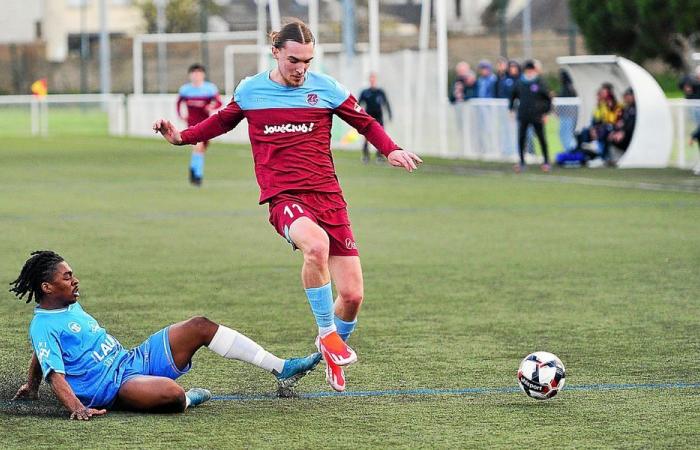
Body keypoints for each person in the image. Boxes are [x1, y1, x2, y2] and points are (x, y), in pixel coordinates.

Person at [153, 20, 422, 392]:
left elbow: (365, 122)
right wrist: (181, 137)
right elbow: (219, 123)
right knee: (315, 246)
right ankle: (329, 337)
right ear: (276, 52)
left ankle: (329, 349)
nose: (301, 68)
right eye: (294, 59)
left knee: (354, 295)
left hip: (328, 197)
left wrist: (390, 148)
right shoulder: (251, 91)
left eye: (308, 61)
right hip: (285, 197)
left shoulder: (326, 88)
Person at [10, 250, 321, 419]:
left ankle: (282, 369)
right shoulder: (43, 325)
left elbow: (43, 354)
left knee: (200, 325)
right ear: (47, 287)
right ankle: (187, 399)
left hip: (132, 358)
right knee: (172, 393)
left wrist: (30, 385)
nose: (75, 281)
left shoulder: (66, 306)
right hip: (119, 387)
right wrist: (77, 408)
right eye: (67, 277)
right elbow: (57, 374)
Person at [176, 64, 223, 186]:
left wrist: (211, 106)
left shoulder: (209, 89)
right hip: (192, 123)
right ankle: (198, 176)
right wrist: (181, 115)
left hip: (206, 123)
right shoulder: (185, 90)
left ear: (203, 75)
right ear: (190, 75)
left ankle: (193, 169)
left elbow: (219, 102)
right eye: (194, 73)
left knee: (201, 150)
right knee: (198, 147)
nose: (196, 76)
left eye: (199, 73)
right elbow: (178, 103)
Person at [509, 60, 553, 172]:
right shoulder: (520, 83)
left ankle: (546, 161)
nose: (529, 72)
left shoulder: (539, 82)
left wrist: (546, 113)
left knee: (541, 138)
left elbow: (548, 98)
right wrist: (511, 109)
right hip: (523, 115)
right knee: (521, 138)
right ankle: (522, 162)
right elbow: (513, 96)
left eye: (531, 70)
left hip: (537, 115)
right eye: (528, 70)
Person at [358, 73, 393, 163]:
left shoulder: (380, 92)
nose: (372, 80)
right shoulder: (365, 92)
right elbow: (358, 104)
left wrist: (389, 114)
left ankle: (379, 156)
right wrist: (358, 116)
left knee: (380, 136)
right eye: (371, 78)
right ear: (369, 80)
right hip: (368, 117)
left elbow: (386, 103)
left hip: (379, 117)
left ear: (376, 80)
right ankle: (366, 155)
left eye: (374, 78)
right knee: (367, 136)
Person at [608, 88, 636, 160]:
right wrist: (616, 131)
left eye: (628, 96)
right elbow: (621, 122)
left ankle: (620, 158)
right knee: (609, 135)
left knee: (617, 138)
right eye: (625, 96)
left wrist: (623, 132)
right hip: (624, 132)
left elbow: (632, 124)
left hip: (632, 135)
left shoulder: (635, 109)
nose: (626, 98)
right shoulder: (626, 108)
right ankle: (612, 158)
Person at [555, 69, 578, 152]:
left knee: (566, 134)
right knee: (562, 133)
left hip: (568, 116)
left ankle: (569, 150)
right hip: (565, 115)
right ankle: (567, 149)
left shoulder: (568, 88)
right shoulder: (565, 87)